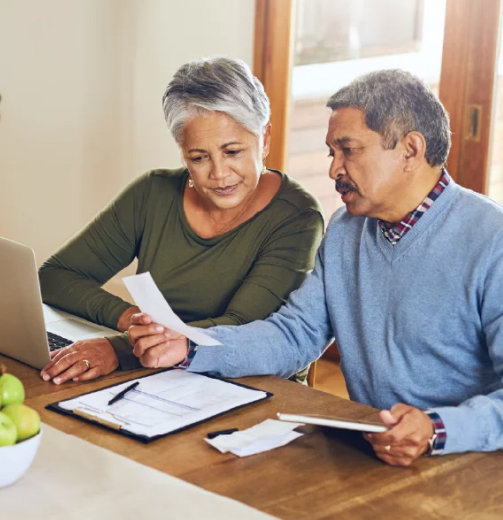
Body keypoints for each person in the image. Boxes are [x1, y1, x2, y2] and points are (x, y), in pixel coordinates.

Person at [128, 69, 503, 468]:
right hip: (387, 453)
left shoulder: (497, 242)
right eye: (331, 153)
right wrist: (189, 347)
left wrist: (438, 428)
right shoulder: (346, 230)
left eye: (348, 150)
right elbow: (294, 335)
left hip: (497, 462)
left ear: (410, 149)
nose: (333, 170)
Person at [37, 56, 324, 385]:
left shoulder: (297, 217)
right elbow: (56, 277)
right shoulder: (153, 193)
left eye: (233, 152)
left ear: (265, 139)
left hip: (252, 388)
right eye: (199, 157)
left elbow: (243, 328)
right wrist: (134, 322)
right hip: (160, 378)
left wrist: (119, 349)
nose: (219, 174)